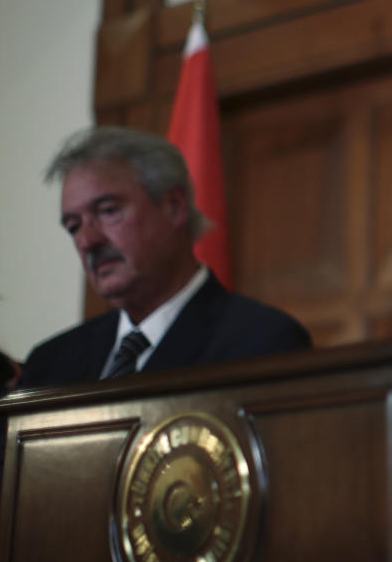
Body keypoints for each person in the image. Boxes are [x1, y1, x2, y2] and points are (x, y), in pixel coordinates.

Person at [17, 126, 311, 388]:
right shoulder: (49, 366)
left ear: (174, 207)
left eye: (108, 211)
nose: (87, 241)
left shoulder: (263, 344)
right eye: (73, 226)